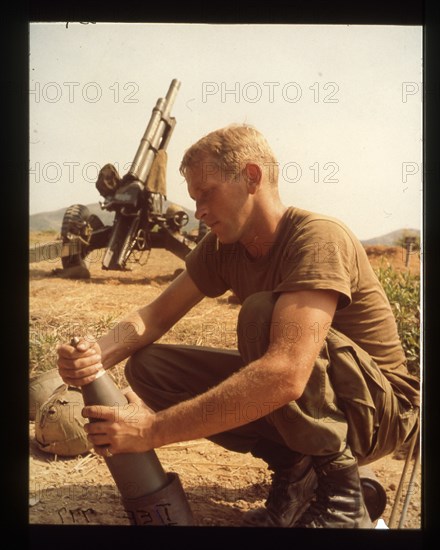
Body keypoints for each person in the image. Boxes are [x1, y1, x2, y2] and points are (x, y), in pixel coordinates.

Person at [57, 124, 420, 528]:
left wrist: (152, 430)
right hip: (319, 396)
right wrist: (95, 355)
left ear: (251, 176)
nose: (199, 212)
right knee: (149, 368)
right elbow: (155, 316)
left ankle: (342, 497)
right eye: (194, 200)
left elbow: (285, 375)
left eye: (206, 194)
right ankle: (296, 473)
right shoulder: (223, 247)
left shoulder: (317, 237)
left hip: (379, 414)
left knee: (261, 314)